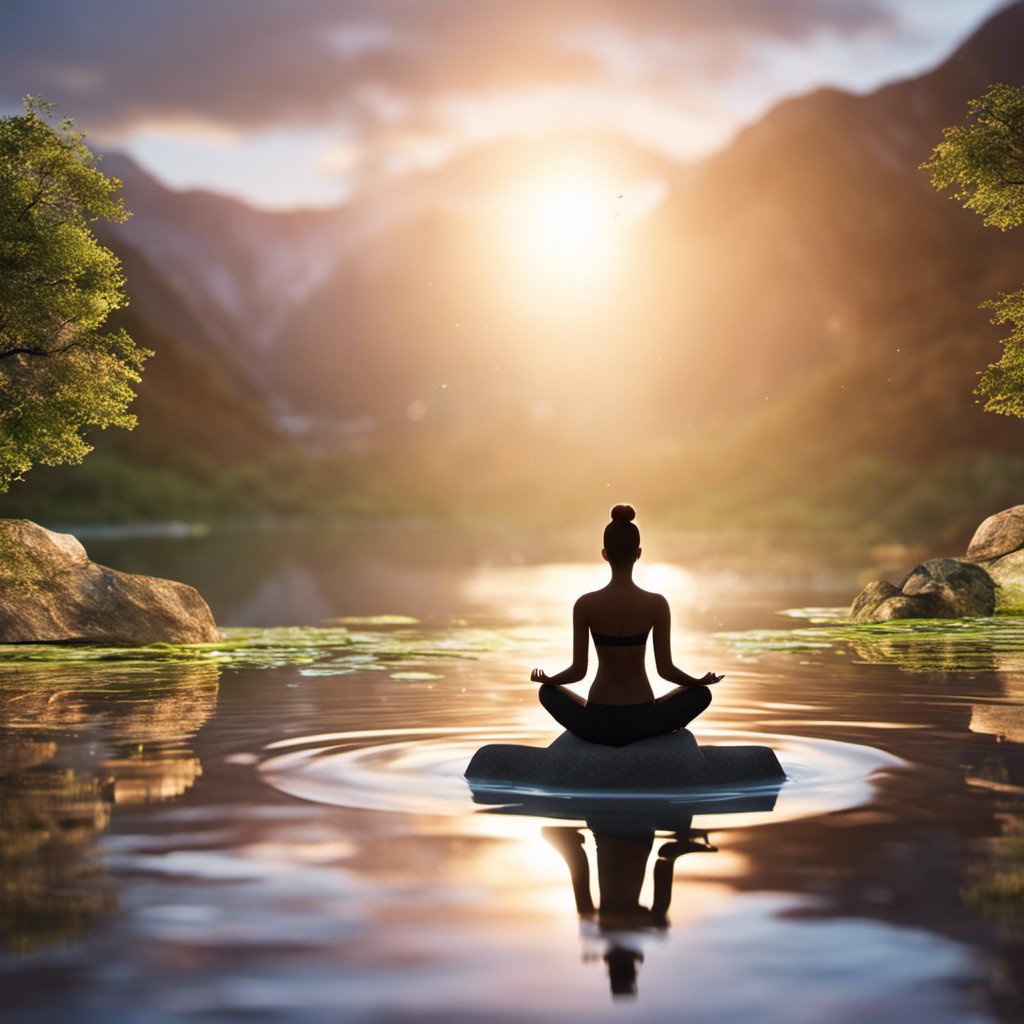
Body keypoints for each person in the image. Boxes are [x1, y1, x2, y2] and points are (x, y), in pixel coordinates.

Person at [530, 504, 721, 746]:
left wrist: (549, 679)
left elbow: (578, 671)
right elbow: (666, 670)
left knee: (547, 693)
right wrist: (697, 682)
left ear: (604, 553)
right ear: (638, 553)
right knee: (701, 695)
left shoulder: (585, 604)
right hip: (644, 720)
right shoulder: (656, 604)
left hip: (597, 722)